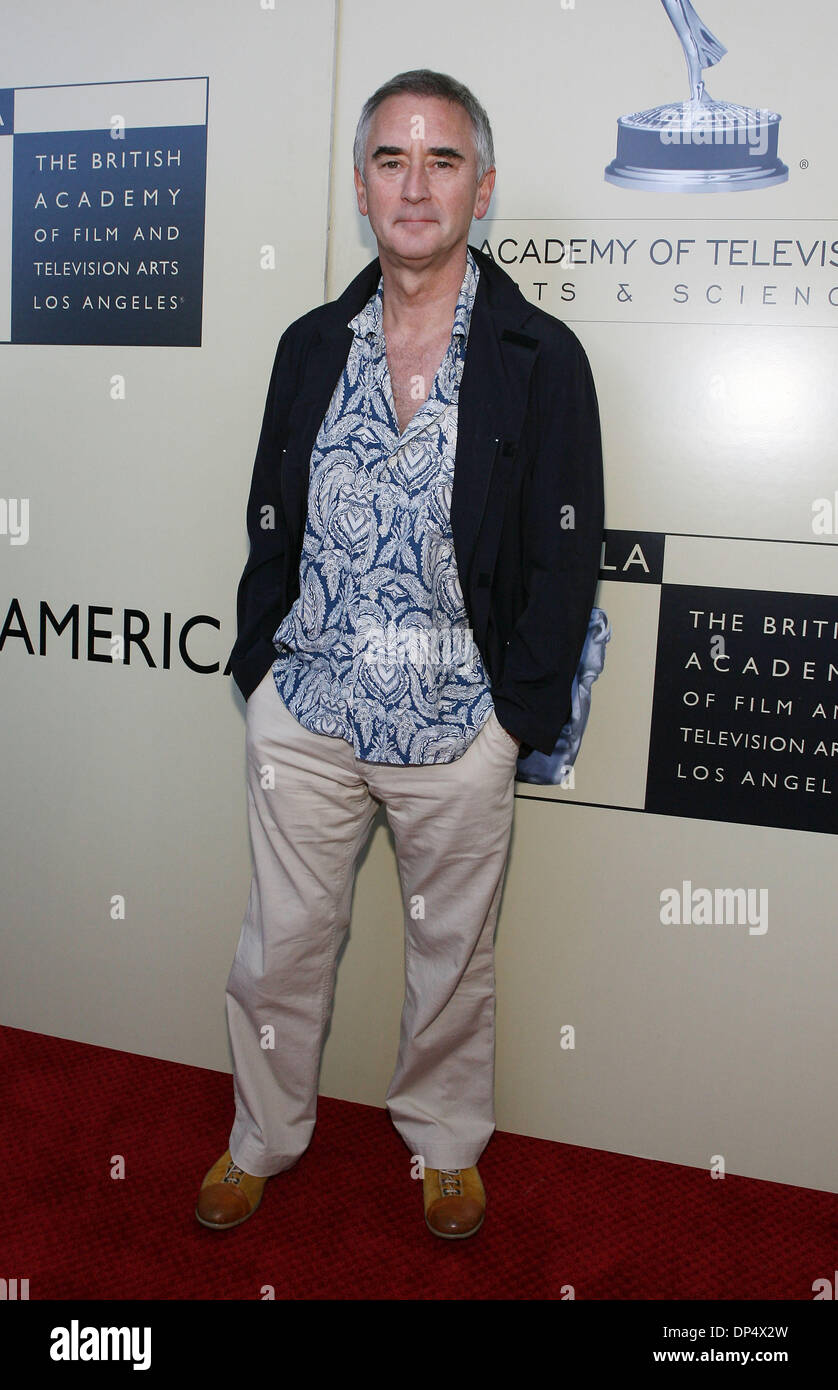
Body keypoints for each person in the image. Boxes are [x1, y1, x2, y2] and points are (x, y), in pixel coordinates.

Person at [196, 68, 604, 1240]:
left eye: (439, 160)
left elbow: (568, 549)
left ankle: (442, 1147)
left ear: (482, 187)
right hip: (307, 714)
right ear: (360, 186)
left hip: (460, 727)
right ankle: (259, 1139)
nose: (413, 185)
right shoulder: (310, 343)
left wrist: (512, 720)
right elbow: (269, 510)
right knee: (278, 953)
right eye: (390, 159)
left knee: (450, 959)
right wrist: (261, 667)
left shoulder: (541, 354)